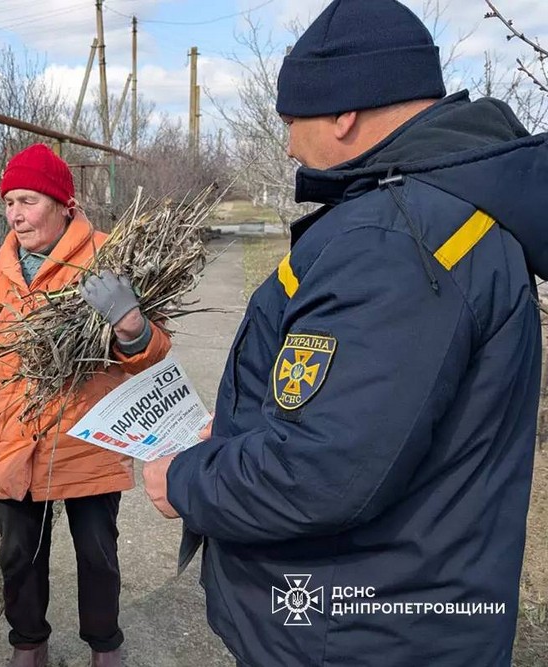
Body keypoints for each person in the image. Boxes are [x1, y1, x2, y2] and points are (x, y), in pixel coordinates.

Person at [143, 0, 547, 665]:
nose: (287, 142)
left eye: (291, 119)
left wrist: (185, 478)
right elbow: (365, 418)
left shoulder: (398, 238)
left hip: (356, 634)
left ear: (343, 113)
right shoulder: (448, 213)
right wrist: (250, 425)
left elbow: (322, 470)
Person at [0, 144, 171, 667]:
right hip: (14, 440)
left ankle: (104, 645)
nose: (16, 214)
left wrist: (133, 329)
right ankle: (29, 644)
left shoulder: (110, 261)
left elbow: (156, 352)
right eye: (9, 202)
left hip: (87, 439)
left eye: (29, 200)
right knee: (18, 556)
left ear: (65, 204)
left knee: (97, 555)